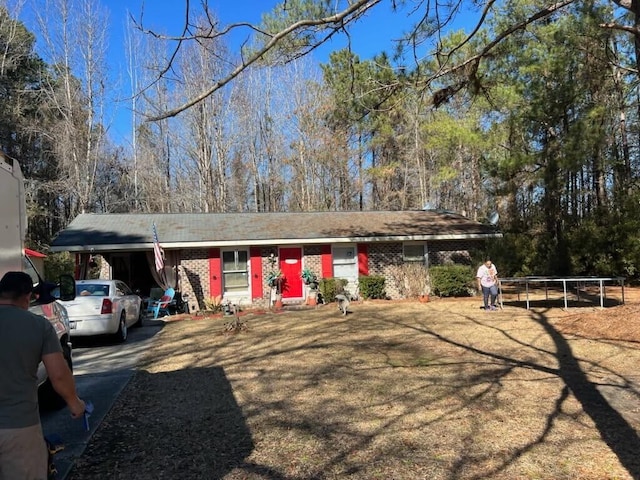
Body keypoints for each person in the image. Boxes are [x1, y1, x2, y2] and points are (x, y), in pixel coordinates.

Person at [0, 271, 85, 480]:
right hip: (18, 426)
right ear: (28, 297)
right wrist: (74, 403)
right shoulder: (39, 326)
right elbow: (58, 374)